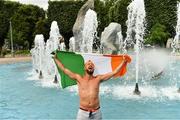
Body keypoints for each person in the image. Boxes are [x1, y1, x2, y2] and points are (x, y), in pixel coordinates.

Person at [53, 55, 129, 120]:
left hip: (96, 112)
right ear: (84, 68)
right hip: (83, 112)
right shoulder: (79, 78)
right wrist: (55, 58)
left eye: (92, 64)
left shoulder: (98, 79)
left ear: (94, 69)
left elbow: (114, 72)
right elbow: (64, 69)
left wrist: (124, 61)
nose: (90, 65)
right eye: (88, 64)